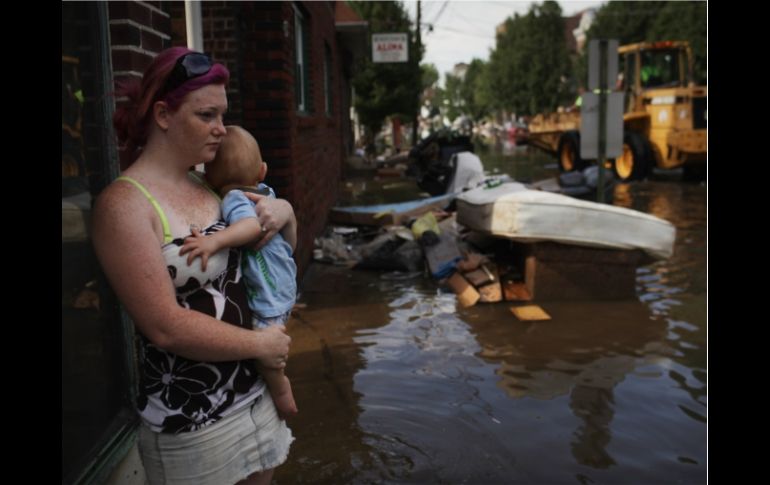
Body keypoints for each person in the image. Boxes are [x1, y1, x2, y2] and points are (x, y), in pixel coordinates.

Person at [92, 47, 297, 485]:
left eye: (223, 115)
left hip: (256, 396)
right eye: (207, 115)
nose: (222, 130)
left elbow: (276, 249)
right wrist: (261, 346)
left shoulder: (209, 183)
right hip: (194, 423)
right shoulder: (124, 207)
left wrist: (286, 212)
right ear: (164, 115)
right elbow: (164, 325)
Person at [179, 125, 298, 419]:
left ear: (208, 178)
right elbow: (288, 244)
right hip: (285, 281)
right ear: (262, 170)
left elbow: (250, 228)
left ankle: (281, 389)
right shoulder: (268, 193)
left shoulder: (234, 199)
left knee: (268, 356)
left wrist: (212, 242)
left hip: (268, 294)